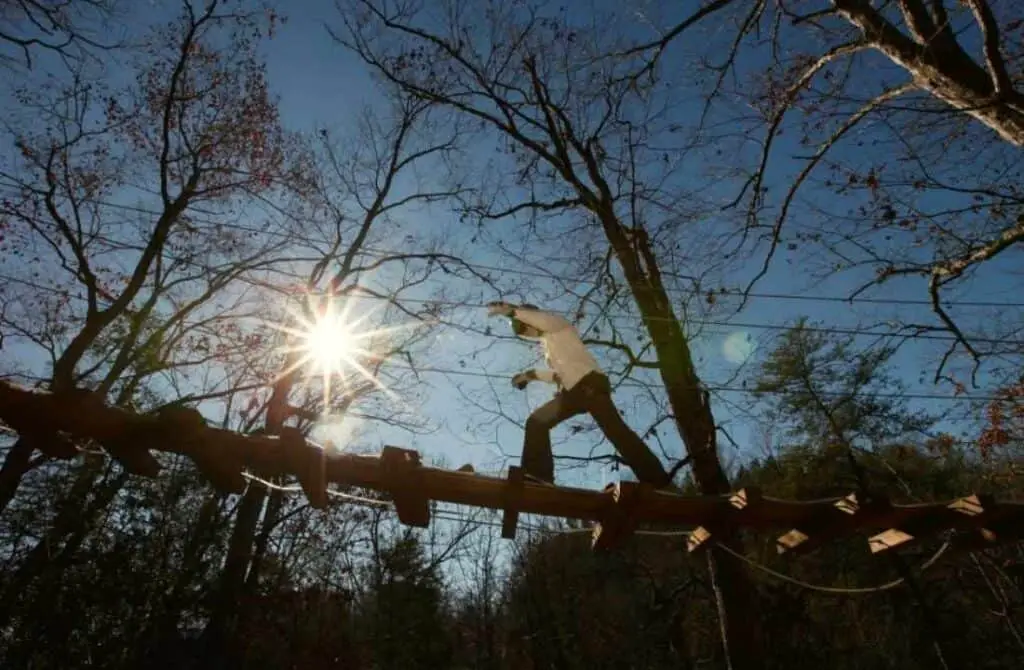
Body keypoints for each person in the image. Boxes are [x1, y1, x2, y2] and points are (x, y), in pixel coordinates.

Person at [487, 301, 672, 488]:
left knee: (614, 432)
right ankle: (539, 477)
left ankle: (658, 482)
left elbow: (542, 319)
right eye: (523, 334)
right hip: (577, 391)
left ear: (531, 320)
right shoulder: (550, 348)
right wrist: (529, 376)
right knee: (539, 423)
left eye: (526, 329)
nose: (528, 335)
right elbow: (558, 376)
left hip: (589, 384)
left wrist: (511, 311)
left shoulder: (559, 327)